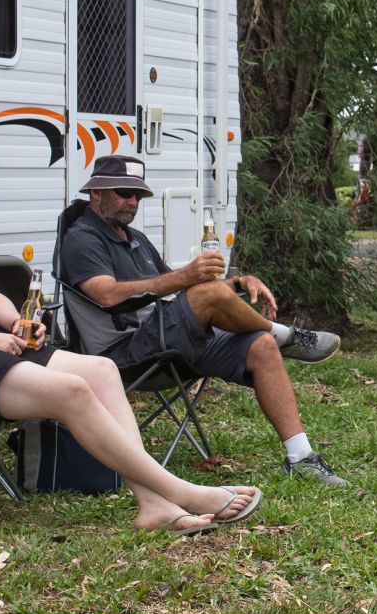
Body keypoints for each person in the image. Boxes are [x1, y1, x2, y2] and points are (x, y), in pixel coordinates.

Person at [0, 129, 260, 536]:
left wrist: (14, 324)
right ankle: (180, 491)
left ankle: (153, 505)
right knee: (71, 392)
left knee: (100, 371)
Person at [58, 154, 349, 487]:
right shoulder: (82, 239)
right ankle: (288, 336)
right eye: (123, 192)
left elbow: (181, 288)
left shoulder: (134, 238)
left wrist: (237, 283)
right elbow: (105, 294)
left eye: (138, 194)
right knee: (213, 298)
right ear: (95, 192)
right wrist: (187, 277)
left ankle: (301, 457)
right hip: (122, 355)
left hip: (166, 343)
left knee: (261, 346)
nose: (132, 201)